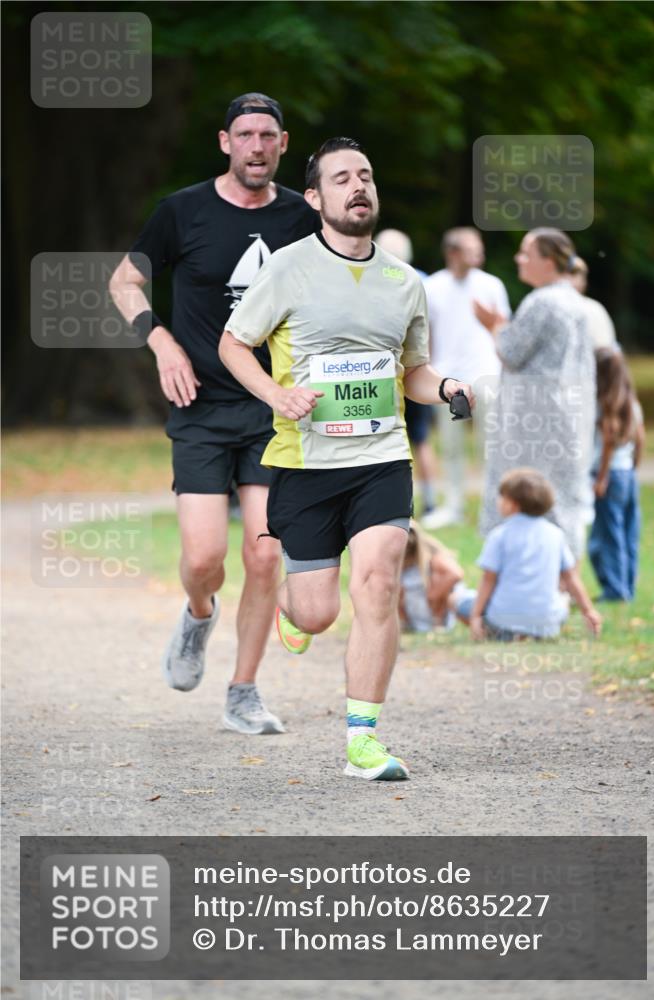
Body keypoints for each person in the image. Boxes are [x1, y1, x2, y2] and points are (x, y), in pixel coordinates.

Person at [219, 137, 474, 781]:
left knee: (380, 582)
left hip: (381, 458)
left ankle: (363, 740)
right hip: (305, 464)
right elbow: (233, 344)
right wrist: (277, 393)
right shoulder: (286, 268)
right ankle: (290, 606)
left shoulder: (401, 280)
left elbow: (412, 369)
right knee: (318, 611)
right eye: (341, 178)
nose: (357, 185)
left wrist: (442, 388)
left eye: (365, 175)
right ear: (315, 198)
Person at [109, 93, 319, 734]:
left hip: (271, 406)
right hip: (198, 405)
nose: (257, 146)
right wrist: (160, 339)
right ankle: (198, 614)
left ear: (283, 145)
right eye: (245, 135)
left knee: (263, 555)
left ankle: (243, 691)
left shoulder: (302, 219)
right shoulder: (182, 211)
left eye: (269, 136)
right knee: (204, 560)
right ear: (225, 142)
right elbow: (124, 281)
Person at [474, 228, 596, 561]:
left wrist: (494, 325)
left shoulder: (543, 301)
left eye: (526, 253)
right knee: (561, 500)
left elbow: (511, 351)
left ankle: (522, 577)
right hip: (569, 415)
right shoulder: (574, 300)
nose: (519, 258)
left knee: (525, 494)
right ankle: (561, 581)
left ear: (548, 260)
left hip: (537, 423)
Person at [422, 227, 511, 528]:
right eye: (472, 248)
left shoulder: (491, 285)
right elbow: (426, 335)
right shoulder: (432, 287)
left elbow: (505, 328)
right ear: (453, 253)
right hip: (448, 379)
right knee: (451, 445)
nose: (480, 254)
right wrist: (431, 374)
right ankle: (454, 506)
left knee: (491, 444)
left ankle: (494, 504)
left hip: (488, 375)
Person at [450, 469, 602, 640]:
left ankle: (502, 633)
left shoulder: (499, 535)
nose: (498, 501)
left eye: (502, 497)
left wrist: (476, 616)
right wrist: (588, 611)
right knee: (562, 599)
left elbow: (488, 580)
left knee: (457, 600)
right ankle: (532, 632)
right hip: (547, 626)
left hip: (502, 623)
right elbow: (571, 578)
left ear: (512, 504)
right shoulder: (556, 534)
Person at [375, 228, 438, 516]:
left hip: (386, 373)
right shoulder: (422, 280)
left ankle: (405, 498)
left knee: (392, 437)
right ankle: (429, 500)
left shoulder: (373, 279)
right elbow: (429, 331)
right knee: (419, 438)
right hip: (415, 368)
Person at [588, 348, 644, 601]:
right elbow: (640, 437)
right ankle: (627, 585)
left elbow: (608, 443)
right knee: (628, 534)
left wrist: (601, 478)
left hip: (609, 476)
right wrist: (634, 467)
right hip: (628, 474)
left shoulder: (603, 405)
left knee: (608, 536)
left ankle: (615, 590)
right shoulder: (631, 403)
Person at [399, 521, 463, 633]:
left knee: (439, 578)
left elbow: (455, 574)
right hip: (413, 609)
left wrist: (434, 595)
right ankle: (404, 622)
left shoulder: (433, 557)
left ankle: (438, 621)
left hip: (433, 608)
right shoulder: (399, 561)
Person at [567, 256, 618, 350]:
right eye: (570, 272)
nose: (571, 279)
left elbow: (605, 350)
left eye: (575, 273)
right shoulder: (542, 304)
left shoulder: (594, 309)